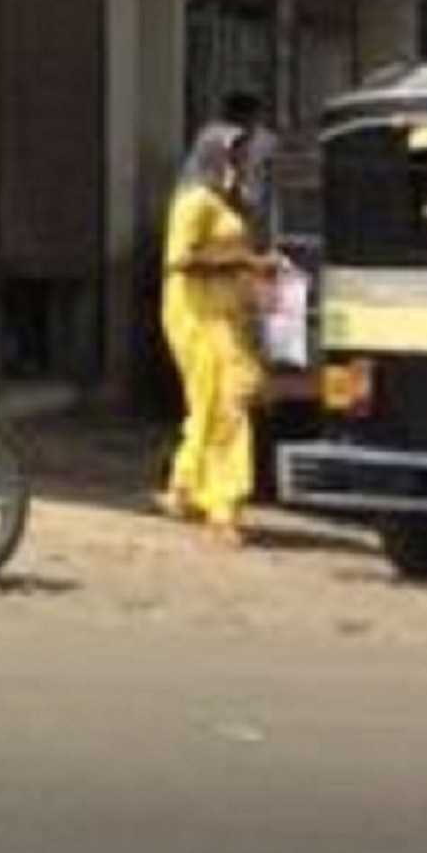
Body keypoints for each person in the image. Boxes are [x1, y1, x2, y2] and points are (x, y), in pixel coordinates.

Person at [160, 109, 279, 545]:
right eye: (235, 156)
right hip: (197, 315)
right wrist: (246, 261)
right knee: (227, 403)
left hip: (225, 314)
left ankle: (185, 485)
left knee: (212, 402)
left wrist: (255, 275)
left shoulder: (225, 203)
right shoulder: (194, 202)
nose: (241, 164)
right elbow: (182, 259)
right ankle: (224, 504)